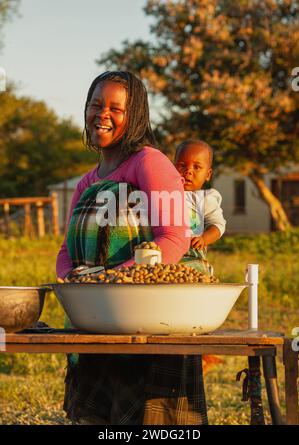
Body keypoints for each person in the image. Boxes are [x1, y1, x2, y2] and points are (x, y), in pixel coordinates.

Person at [56, 71, 208, 425]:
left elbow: (173, 238)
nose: (102, 114)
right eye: (96, 104)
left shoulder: (149, 162)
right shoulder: (87, 181)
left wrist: (110, 283)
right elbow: (66, 251)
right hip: (95, 319)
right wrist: (76, 288)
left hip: (148, 319)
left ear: (136, 113)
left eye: (115, 108)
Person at [174, 139, 226, 272]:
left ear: (208, 175)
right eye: (182, 166)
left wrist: (204, 238)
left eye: (196, 167)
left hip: (193, 256)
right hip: (166, 255)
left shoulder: (205, 199)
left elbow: (218, 225)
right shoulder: (164, 194)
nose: (188, 171)